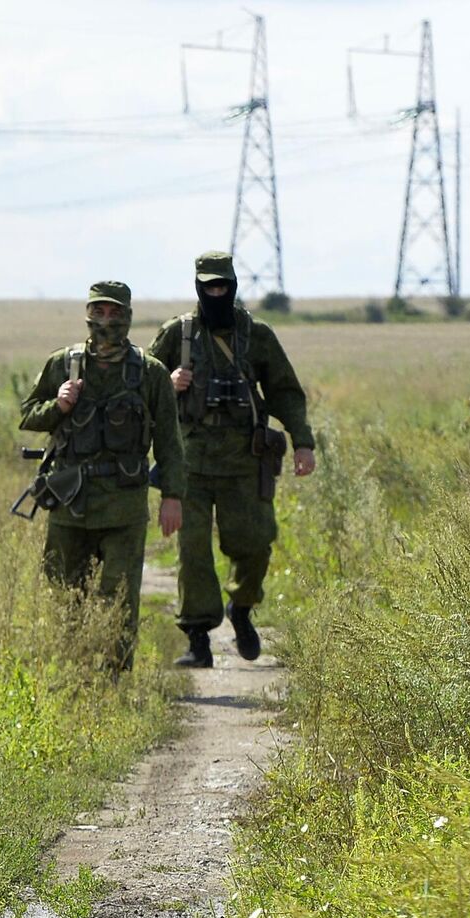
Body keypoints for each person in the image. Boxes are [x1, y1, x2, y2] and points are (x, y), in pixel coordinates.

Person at [147, 251, 316, 668]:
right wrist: (169, 384)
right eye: (209, 286)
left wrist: (303, 442)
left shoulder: (255, 334)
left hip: (245, 462)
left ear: (234, 285)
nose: (216, 292)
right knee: (194, 552)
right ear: (198, 287)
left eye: (223, 285)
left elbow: (285, 391)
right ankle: (198, 639)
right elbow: (144, 391)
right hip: (190, 466)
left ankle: (241, 609)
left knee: (256, 544)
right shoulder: (177, 334)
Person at [18, 281, 185, 671]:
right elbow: (28, 414)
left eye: (114, 313)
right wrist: (57, 405)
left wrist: (172, 496)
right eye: (98, 312)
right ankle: (71, 672)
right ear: (87, 314)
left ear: (127, 316)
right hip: (70, 500)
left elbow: (169, 441)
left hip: (123, 502)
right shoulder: (63, 363)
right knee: (64, 593)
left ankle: (113, 680)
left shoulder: (150, 372)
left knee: (120, 596)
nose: (105, 321)